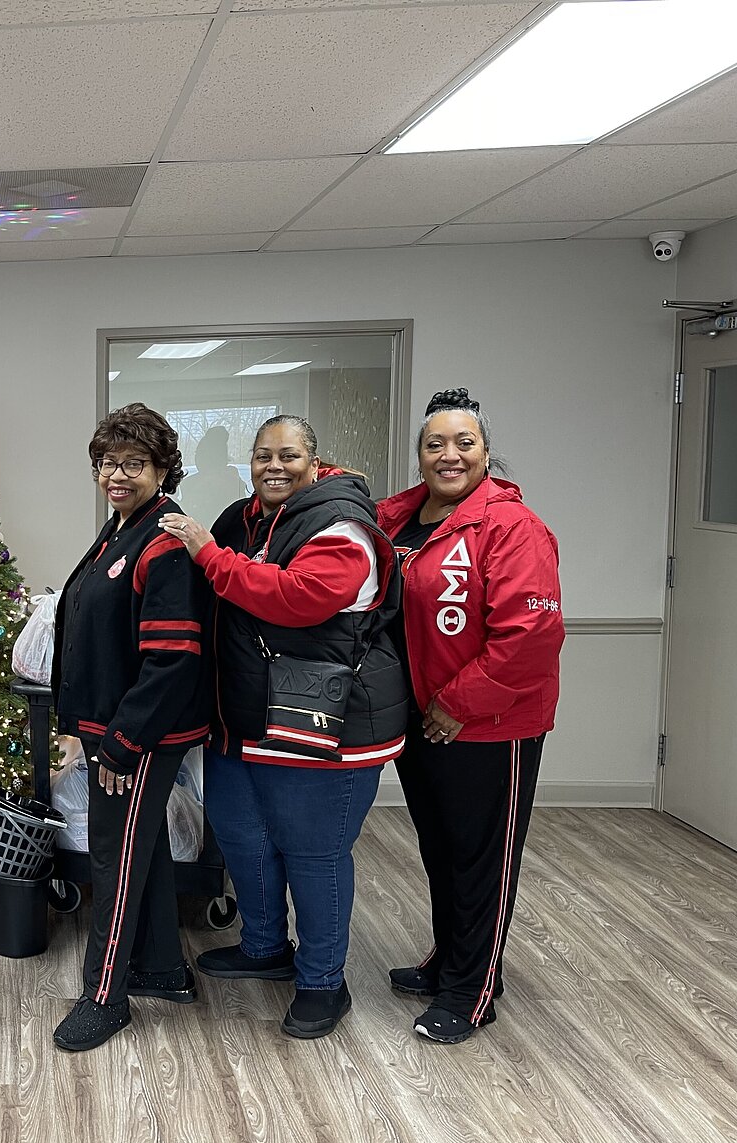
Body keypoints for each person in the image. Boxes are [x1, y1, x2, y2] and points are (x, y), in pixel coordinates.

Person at [160, 414, 406, 1039]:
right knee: (243, 840)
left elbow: (299, 598)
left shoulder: (342, 524)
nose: (274, 466)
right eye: (263, 454)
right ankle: (265, 947)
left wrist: (208, 554)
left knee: (314, 855)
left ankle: (324, 981)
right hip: (242, 720)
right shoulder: (243, 517)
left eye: (289, 455)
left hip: (326, 727)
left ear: (315, 462)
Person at [376, 389, 562, 1044]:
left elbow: (529, 637)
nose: (449, 455)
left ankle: (472, 990)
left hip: (487, 725)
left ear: (486, 451)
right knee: (443, 851)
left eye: (464, 443)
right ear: (420, 453)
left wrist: (458, 704)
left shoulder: (513, 528)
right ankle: (452, 958)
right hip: (421, 723)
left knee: (482, 856)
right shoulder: (398, 521)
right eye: (435, 444)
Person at [49, 403, 211, 1052]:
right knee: (140, 851)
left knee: (113, 861)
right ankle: (163, 969)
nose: (117, 474)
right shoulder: (122, 528)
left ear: (164, 468)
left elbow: (172, 660)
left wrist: (120, 743)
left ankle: (105, 995)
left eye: (134, 464)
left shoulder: (165, 540)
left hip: (138, 738)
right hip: (113, 729)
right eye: (108, 463)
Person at [176, 425, 248, 523]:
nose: (197, 458)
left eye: (201, 453)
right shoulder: (188, 482)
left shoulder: (228, 481)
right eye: (197, 453)